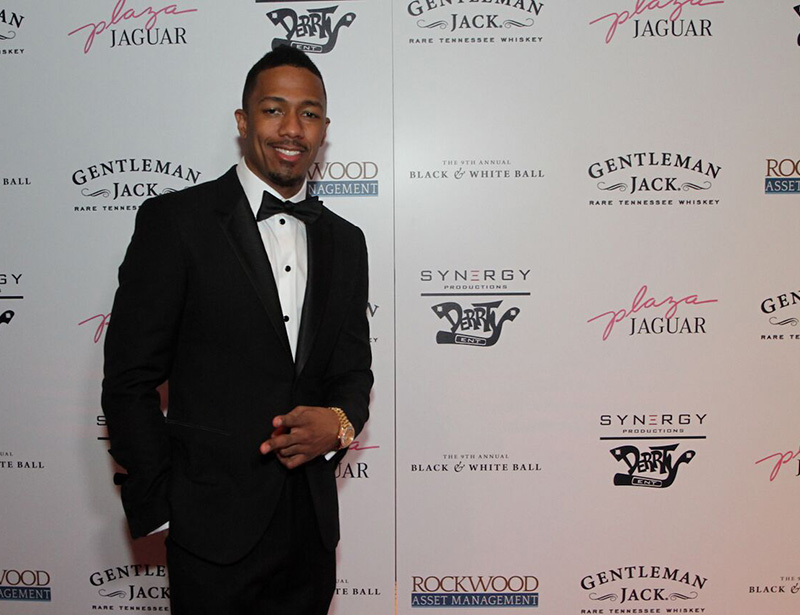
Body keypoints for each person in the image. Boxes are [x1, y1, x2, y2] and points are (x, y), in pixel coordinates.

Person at [102, 46, 372, 615]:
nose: (292, 128)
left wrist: (339, 424)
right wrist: (164, 506)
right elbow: (129, 379)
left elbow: (353, 372)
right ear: (243, 121)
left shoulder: (347, 241)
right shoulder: (176, 223)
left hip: (310, 535)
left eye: (309, 113)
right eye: (274, 110)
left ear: (324, 129)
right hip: (209, 534)